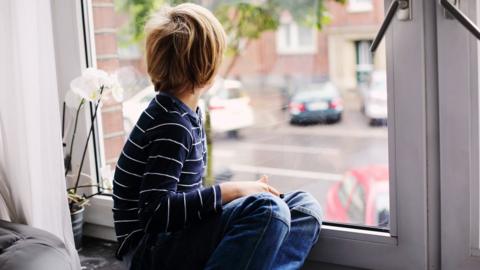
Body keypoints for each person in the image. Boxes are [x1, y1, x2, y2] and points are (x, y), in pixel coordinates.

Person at [112, 3, 323, 270]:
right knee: (269, 210)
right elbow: (156, 213)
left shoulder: (184, 112)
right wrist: (233, 191)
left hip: (174, 237)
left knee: (304, 207)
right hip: (148, 253)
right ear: (208, 65)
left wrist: (241, 196)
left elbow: (185, 200)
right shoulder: (171, 124)